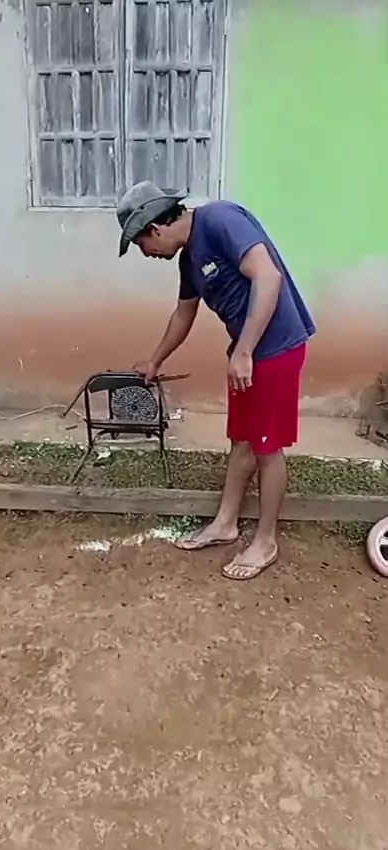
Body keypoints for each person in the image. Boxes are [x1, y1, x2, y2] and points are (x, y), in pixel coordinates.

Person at [117, 181, 316, 580]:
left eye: (140, 245)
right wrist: (155, 360)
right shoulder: (188, 259)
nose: (146, 253)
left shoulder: (220, 219)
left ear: (155, 229)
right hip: (246, 353)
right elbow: (183, 313)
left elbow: (268, 277)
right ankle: (225, 523)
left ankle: (266, 541)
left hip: (275, 348)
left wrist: (244, 352)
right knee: (242, 438)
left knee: (266, 446)